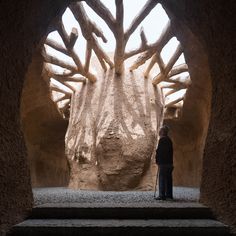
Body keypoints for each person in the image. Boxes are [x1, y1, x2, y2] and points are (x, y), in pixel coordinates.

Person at [155, 125, 174, 200]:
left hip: (163, 163)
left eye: (161, 130)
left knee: (162, 178)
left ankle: (162, 195)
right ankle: (169, 195)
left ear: (163, 132)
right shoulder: (169, 140)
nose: (159, 132)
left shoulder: (162, 140)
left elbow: (160, 152)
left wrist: (158, 160)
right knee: (168, 179)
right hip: (169, 163)